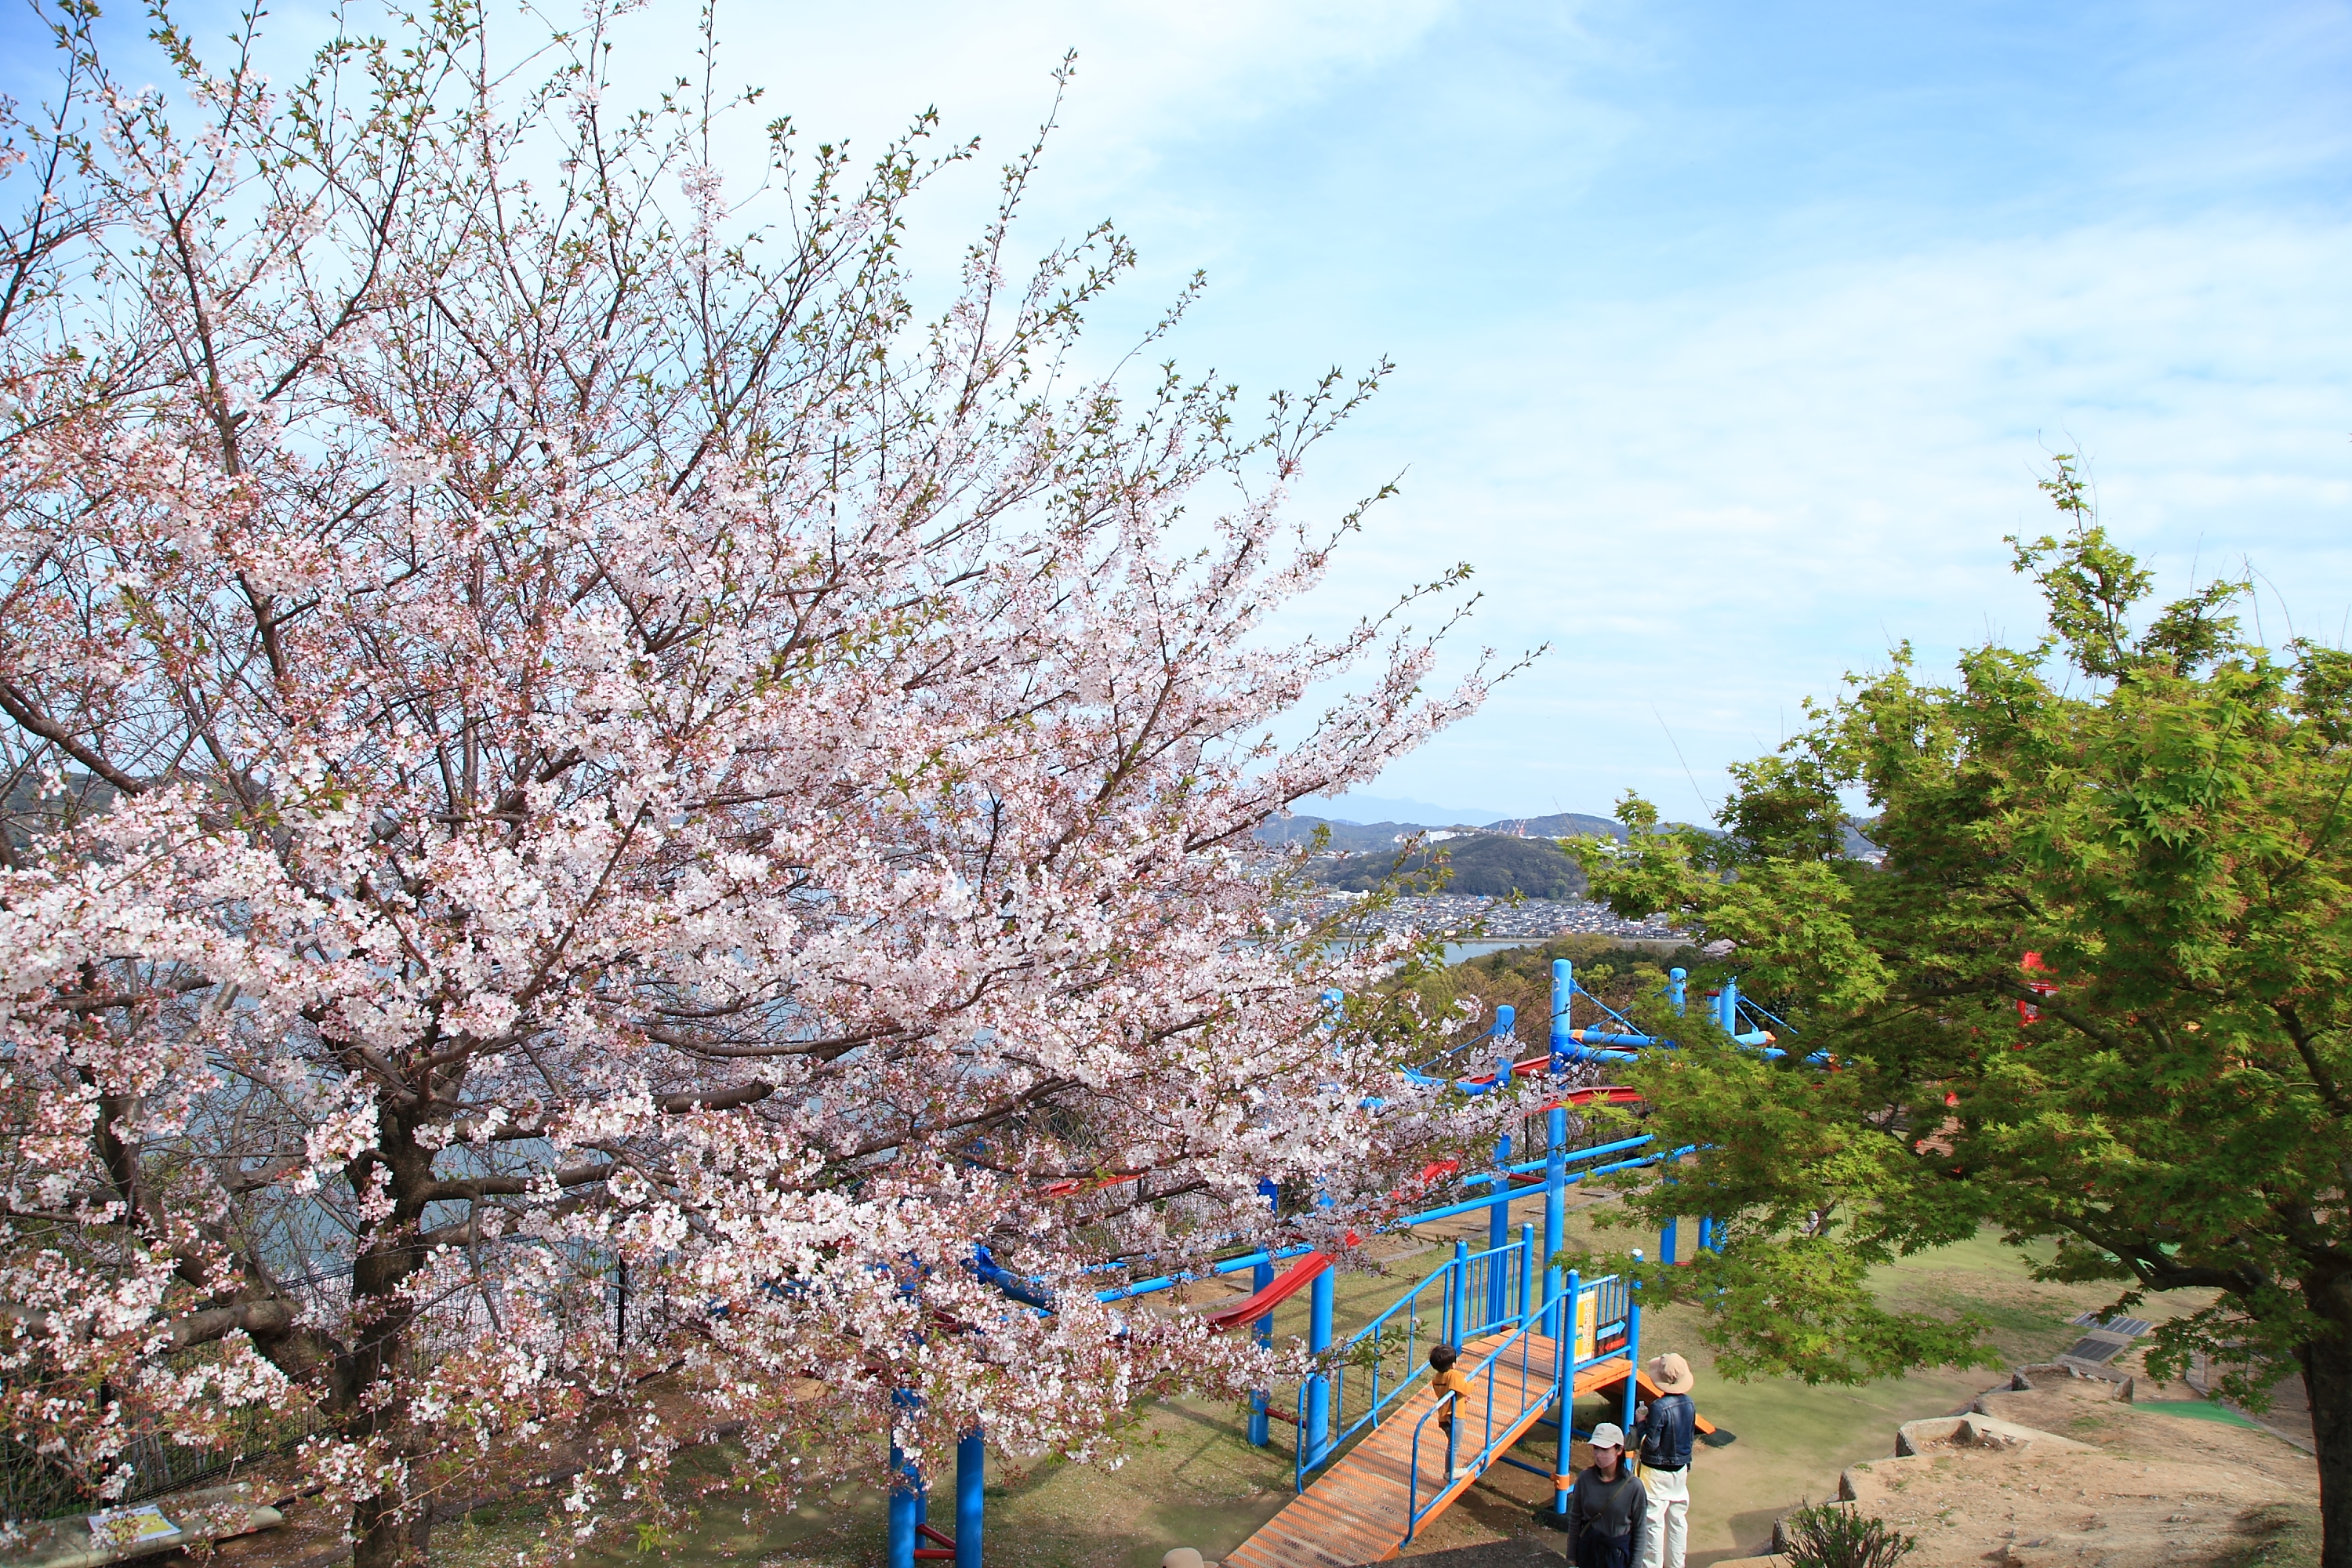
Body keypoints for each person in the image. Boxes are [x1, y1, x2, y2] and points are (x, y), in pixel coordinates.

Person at [1632, 1352, 1697, 1568]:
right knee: (1678, 1522)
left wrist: (1642, 1423)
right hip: (1680, 1470)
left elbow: (1650, 1444)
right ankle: (1677, 1564)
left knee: (1653, 1523)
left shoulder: (1659, 1407)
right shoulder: (1689, 1403)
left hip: (1656, 1472)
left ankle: (1652, 1565)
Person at [1566, 1421, 1649, 1568]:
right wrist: (1572, 1556)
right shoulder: (1585, 1478)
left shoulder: (1634, 1487)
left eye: (1604, 1449)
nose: (1598, 1454)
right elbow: (1575, 1519)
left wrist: (1635, 1566)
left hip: (1617, 1557)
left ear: (1619, 1450)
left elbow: (1640, 1530)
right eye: (1596, 1448)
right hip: (1589, 1552)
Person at [1428, 1343, 1477, 1479]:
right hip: (1455, 1415)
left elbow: (1449, 1392)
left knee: (1452, 1443)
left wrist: (1461, 1397)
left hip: (1444, 1417)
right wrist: (1473, 1383)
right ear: (1453, 1364)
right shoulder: (1454, 1375)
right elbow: (1465, 1388)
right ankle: (1450, 1471)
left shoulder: (1437, 1378)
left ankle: (1451, 1470)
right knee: (1453, 1446)